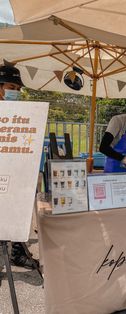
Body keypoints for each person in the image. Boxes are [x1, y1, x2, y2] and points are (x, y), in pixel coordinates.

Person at [0, 64, 39, 269]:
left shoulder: (16, 111)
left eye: (17, 89)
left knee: (20, 209)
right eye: (11, 87)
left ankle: (17, 252)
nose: (15, 92)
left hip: (13, 170)